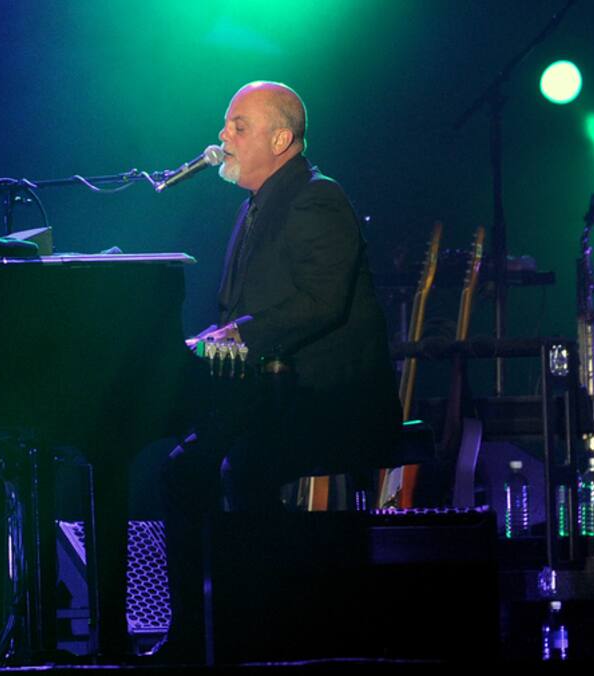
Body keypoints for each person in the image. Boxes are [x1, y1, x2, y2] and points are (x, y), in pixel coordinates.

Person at [159, 81, 402, 660]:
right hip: (270, 395)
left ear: (281, 139)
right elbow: (242, 312)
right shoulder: (257, 204)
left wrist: (236, 334)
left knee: (235, 467)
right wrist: (209, 341)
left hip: (328, 399)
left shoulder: (318, 198)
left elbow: (321, 302)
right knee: (185, 469)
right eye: (226, 125)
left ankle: (249, 627)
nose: (223, 136)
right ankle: (208, 629)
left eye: (238, 126)